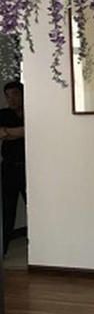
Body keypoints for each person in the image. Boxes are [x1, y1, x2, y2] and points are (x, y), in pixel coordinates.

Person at [0, 81, 26, 256]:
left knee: (36, 207)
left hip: (30, 168)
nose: (12, 99)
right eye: (8, 96)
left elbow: (38, 129)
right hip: (9, 168)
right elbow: (1, 133)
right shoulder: (2, 114)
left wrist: (10, 132)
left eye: (15, 94)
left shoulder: (32, 111)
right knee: (7, 211)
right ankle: (3, 250)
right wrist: (25, 131)